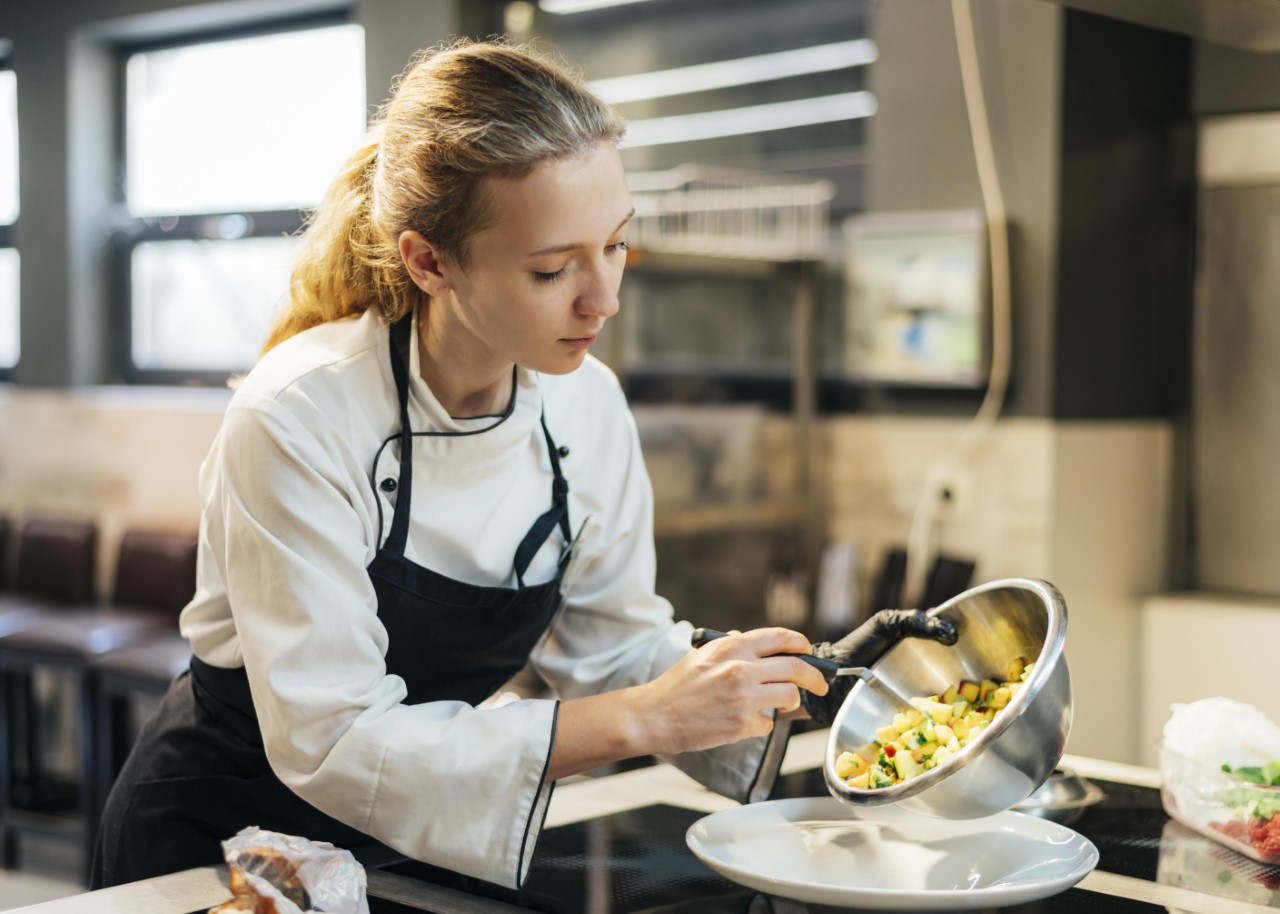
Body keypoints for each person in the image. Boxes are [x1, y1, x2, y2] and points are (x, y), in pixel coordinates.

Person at [91, 38, 956, 890]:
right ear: (429, 262)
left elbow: (615, 650)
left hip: (419, 838)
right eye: (552, 269)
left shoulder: (585, 403)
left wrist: (799, 682)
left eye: (616, 245)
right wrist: (635, 719)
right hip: (222, 842)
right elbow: (335, 740)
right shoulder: (298, 416)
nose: (604, 298)